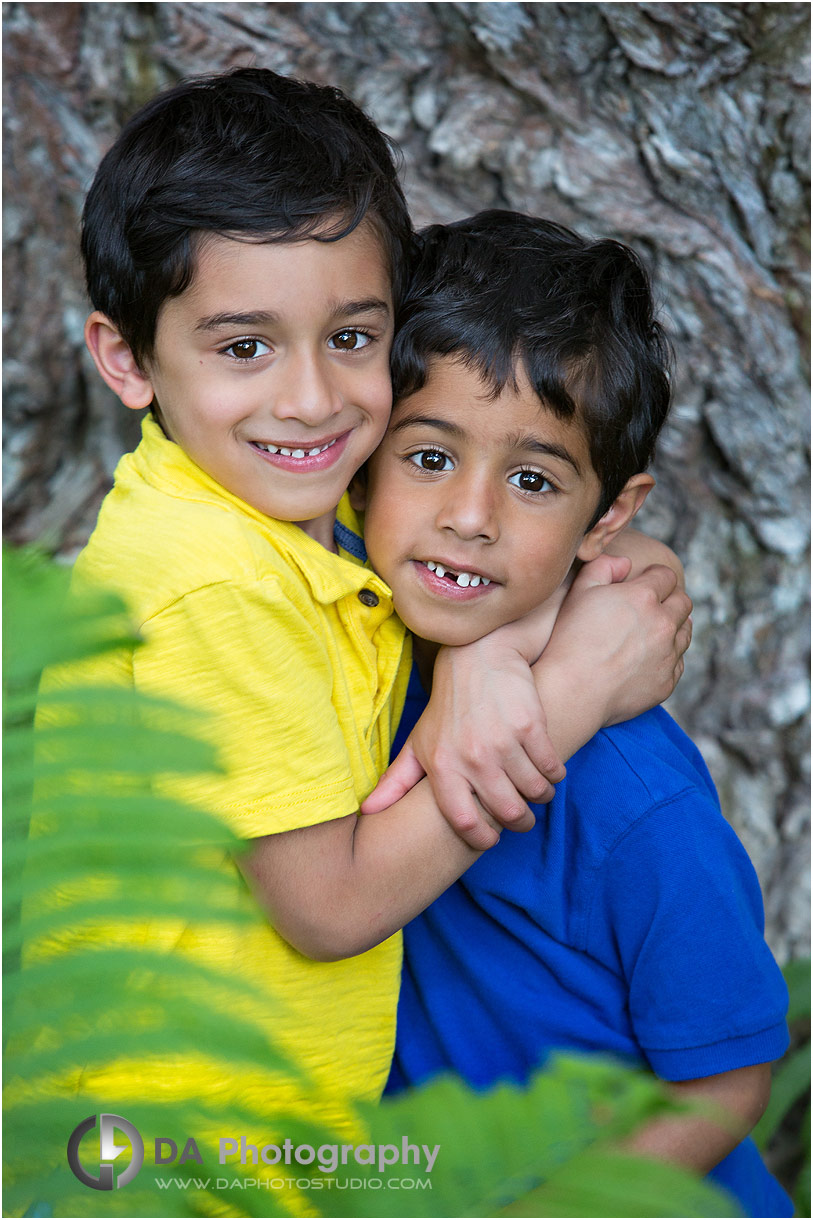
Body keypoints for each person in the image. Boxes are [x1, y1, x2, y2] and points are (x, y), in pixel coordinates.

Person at [32, 67, 690, 1154]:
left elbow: (516, 527)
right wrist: (562, 692)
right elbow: (327, 908)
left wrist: (493, 654)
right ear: (128, 357)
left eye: (351, 337)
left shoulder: (276, 484)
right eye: (245, 345)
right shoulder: (214, 583)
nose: (312, 398)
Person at [360, 211, 792, 1218]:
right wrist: (486, 649)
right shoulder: (341, 636)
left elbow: (725, 1079)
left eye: (531, 479)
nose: (471, 514)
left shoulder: (636, 800)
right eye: (428, 456)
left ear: (609, 514)